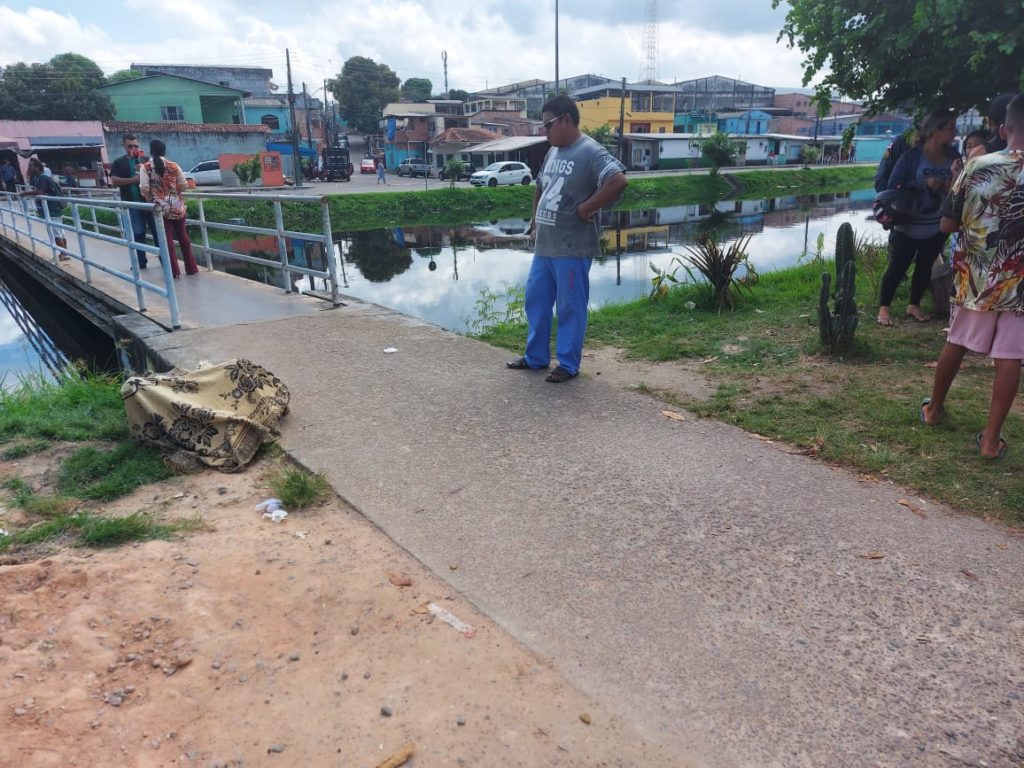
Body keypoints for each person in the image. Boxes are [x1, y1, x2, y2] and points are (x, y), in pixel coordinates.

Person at [919, 94, 1024, 459]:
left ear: (1002, 129)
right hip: (1021, 284)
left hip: (977, 277)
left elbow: (947, 223)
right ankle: (990, 442)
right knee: (1011, 356)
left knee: (958, 340)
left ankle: (933, 411)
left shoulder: (977, 166)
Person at [506, 95, 627, 383]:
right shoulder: (553, 152)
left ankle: (568, 364)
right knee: (536, 301)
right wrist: (534, 223)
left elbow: (618, 180)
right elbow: (541, 188)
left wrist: (587, 207)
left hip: (572, 248)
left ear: (566, 120)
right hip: (545, 246)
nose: (544, 131)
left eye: (548, 124)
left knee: (570, 306)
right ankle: (536, 358)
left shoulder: (590, 151)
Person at [876, 109, 959, 326]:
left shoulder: (954, 156)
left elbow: (963, 185)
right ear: (935, 130)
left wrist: (954, 184)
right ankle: (884, 308)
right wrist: (924, 183)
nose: (955, 132)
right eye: (950, 127)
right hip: (909, 223)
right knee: (898, 265)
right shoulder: (911, 157)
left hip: (937, 223)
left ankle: (914, 305)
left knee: (925, 266)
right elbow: (893, 186)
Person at [139, 139, 198, 278]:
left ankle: (174, 272)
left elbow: (144, 188)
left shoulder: (146, 167)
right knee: (183, 237)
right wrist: (173, 192)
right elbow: (184, 185)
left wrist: (152, 196)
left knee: (167, 241)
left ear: (151, 151)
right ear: (164, 151)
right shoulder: (173, 165)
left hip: (160, 207)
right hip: (177, 205)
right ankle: (191, 268)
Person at [109, 133, 159, 269]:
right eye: (130, 146)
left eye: (135, 146)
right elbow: (113, 181)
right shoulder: (119, 162)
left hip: (150, 203)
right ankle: (141, 261)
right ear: (124, 146)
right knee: (138, 233)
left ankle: (164, 259)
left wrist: (145, 171)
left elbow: (159, 179)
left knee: (157, 232)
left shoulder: (147, 160)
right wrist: (134, 180)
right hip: (132, 203)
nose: (133, 148)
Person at [21, 157, 69, 261]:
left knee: (55, 231)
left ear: (38, 167)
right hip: (54, 207)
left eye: (31, 166)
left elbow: (39, 192)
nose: (29, 168)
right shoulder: (41, 177)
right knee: (60, 231)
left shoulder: (42, 177)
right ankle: (65, 252)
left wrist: (25, 193)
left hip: (51, 208)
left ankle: (64, 253)